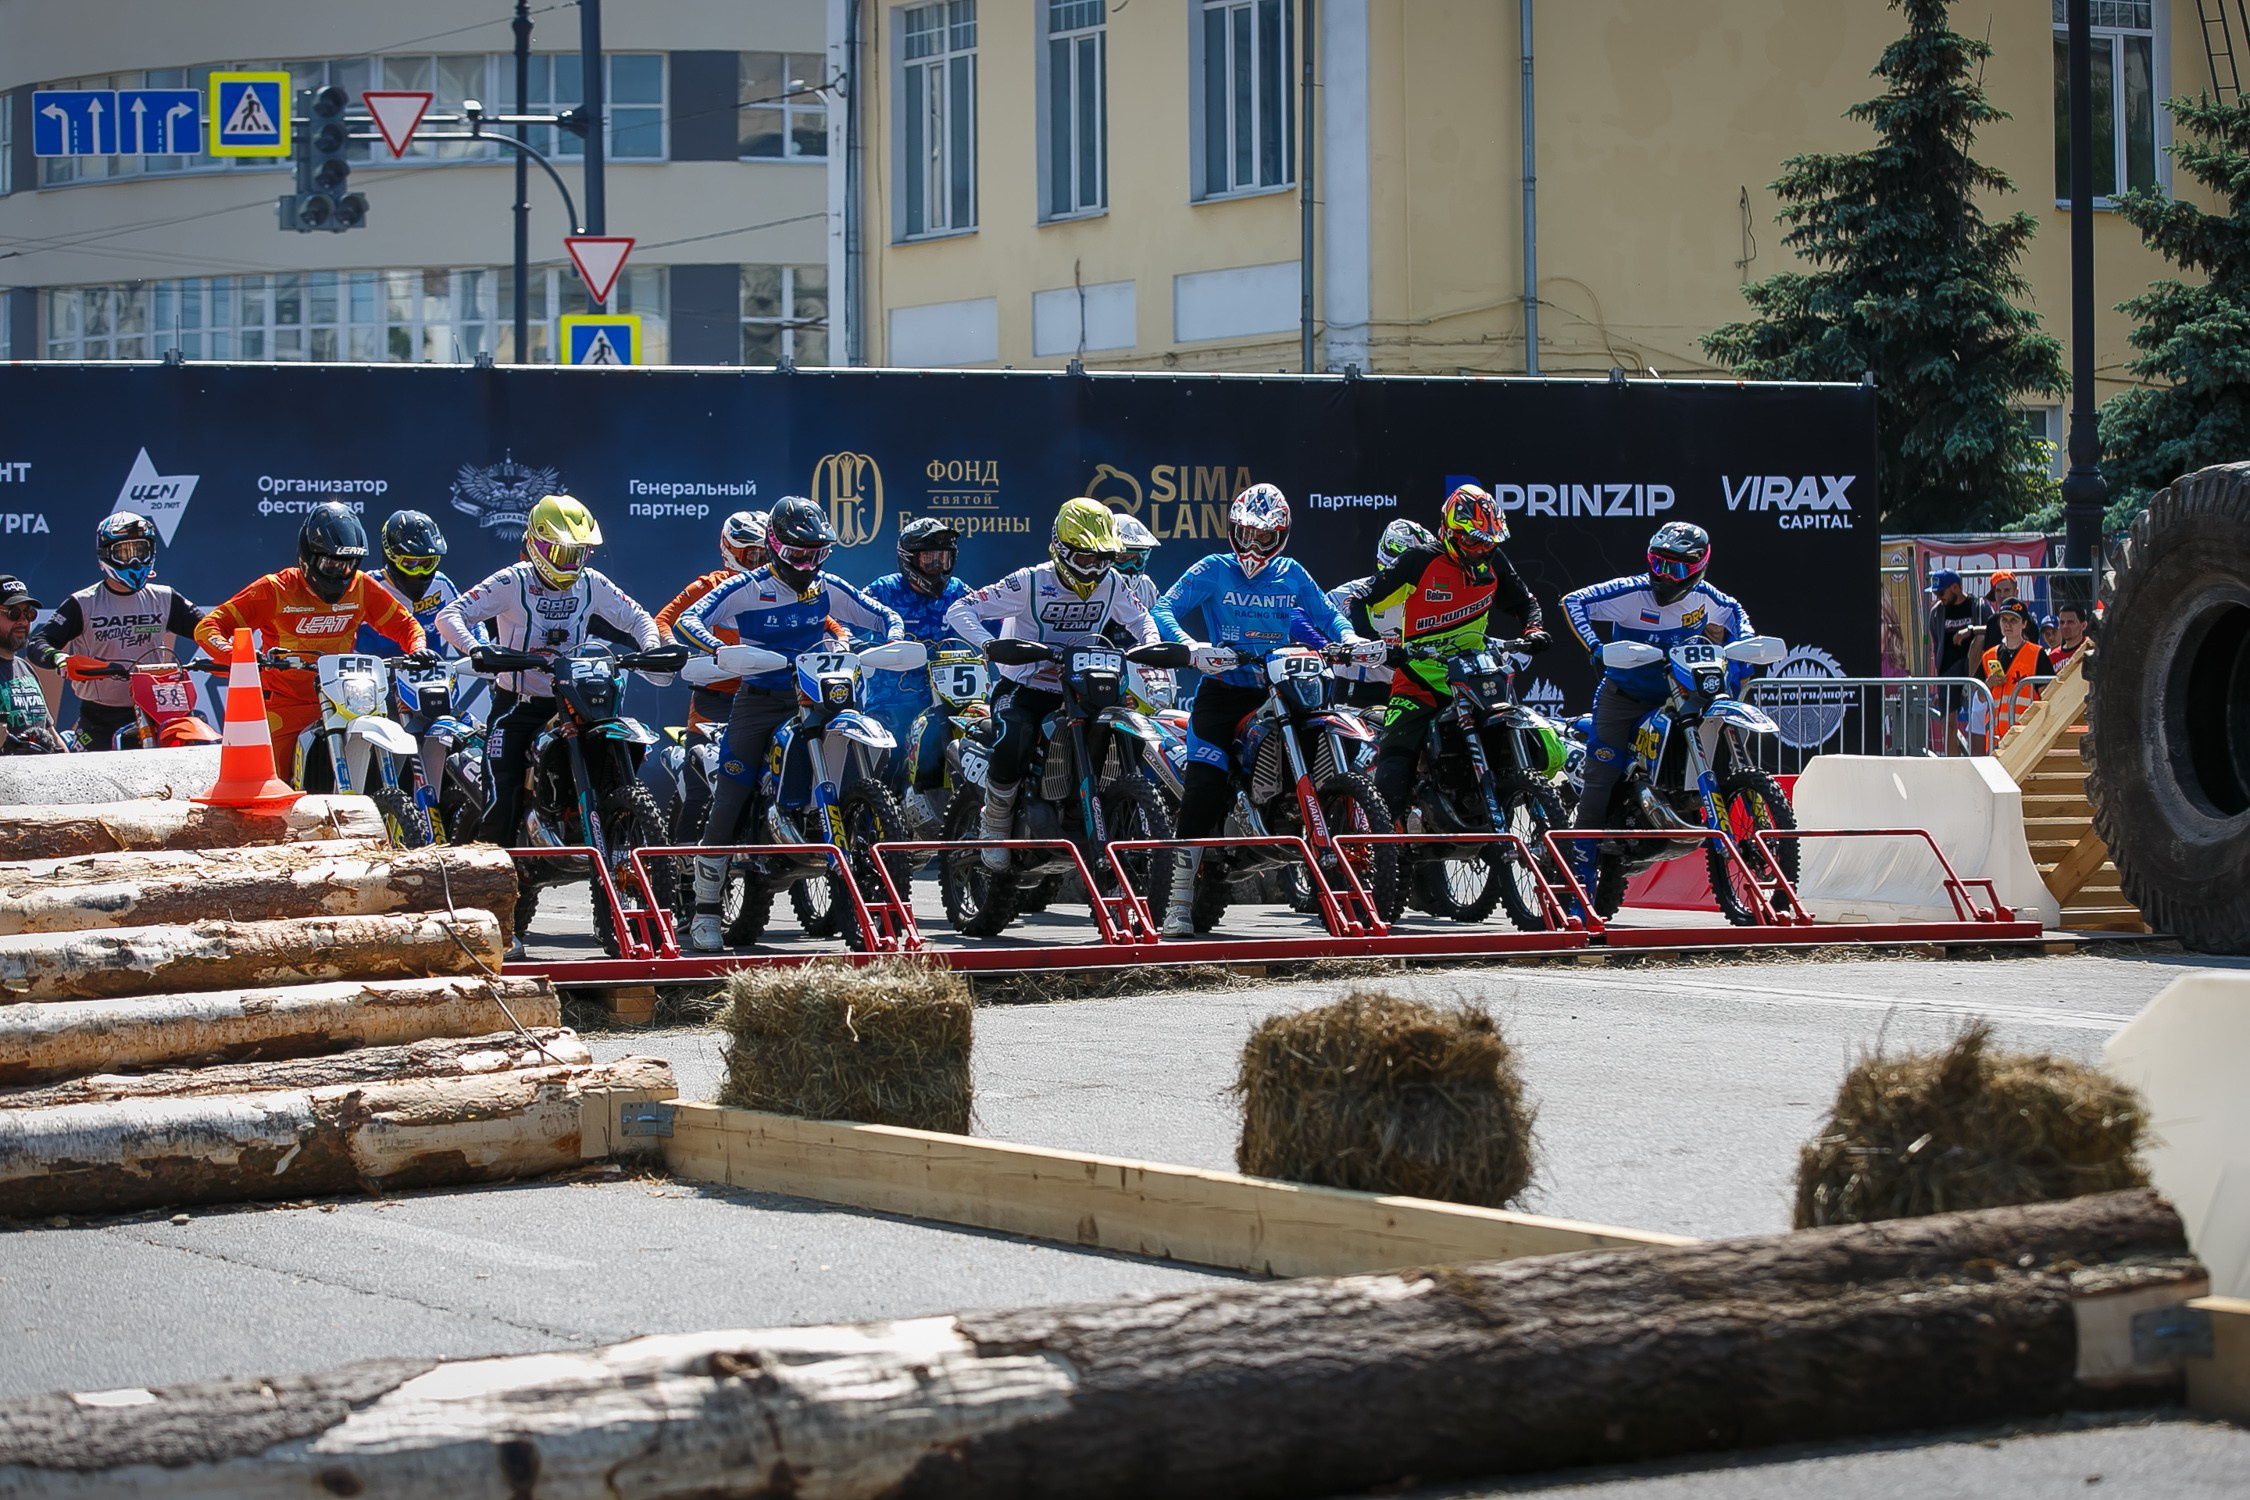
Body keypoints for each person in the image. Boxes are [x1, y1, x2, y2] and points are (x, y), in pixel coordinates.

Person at [673, 495, 904, 953]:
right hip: (762, 698)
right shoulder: (749, 586)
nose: (807, 563)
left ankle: (878, 901)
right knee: (731, 793)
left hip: (822, 694)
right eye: (799, 553)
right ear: (775, 544)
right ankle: (704, 909)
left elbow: (884, 615)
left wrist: (892, 639)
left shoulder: (827, 586)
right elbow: (687, 619)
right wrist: (718, 651)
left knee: (861, 773)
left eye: (817, 553)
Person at [1152, 483, 1382, 936]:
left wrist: (1350, 640)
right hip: (1223, 691)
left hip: (1280, 687)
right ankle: (1176, 904)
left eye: (1265, 538)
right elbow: (1164, 608)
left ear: (1282, 537)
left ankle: (1343, 887)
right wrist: (1192, 647)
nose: (1254, 546)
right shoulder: (1214, 569)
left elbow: (1328, 614)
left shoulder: (1292, 573)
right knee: (1204, 786)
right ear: (1233, 530)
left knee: (1331, 751)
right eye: (1245, 534)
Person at [945, 498, 1159, 875]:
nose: (1095, 570)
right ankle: (994, 824)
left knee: (1131, 731)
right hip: (1026, 686)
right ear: (1060, 550)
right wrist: (988, 645)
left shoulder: (1112, 583)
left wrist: (1148, 648)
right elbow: (960, 609)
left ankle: (1106, 806)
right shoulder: (1029, 582)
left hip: (1084, 685)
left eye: (1103, 559)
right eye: (1086, 559)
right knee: (1015, 735)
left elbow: (1143, 620)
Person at [435, 494, 661, 847]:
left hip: (576, 702)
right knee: (502, 791)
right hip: (519, 705)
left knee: (613, 765)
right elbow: (448, 615)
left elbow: (637, 617)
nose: (571, 564)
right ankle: (493, 866)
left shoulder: (592, 583)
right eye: (562, 553)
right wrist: (477, 649)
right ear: (537, 545)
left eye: (579, 553)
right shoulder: (513, 581)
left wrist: (650, 647)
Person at [1560, 521, 1750, 896]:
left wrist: (1743, 648)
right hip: (1624, 696)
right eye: (1657, 563)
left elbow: (1736, 615)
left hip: (1682, 697)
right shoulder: (1630, 592)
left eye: (1676, 568)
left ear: (1698, 567)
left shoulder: (1707, 598)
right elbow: (1572, 601)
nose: (1663, 576)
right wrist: (1596, 649)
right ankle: (1578, 871)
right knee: (1600, 776)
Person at [196, 502, 427, 785]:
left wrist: (418, 649)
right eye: (332, 563)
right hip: (285, 705)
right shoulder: (275, 589)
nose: (342, 573)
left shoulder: (362, 586)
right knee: (269, 788)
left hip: (345, 701)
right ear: (308, 556)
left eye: (349, 564)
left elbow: (406, 625)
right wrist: (238, 656)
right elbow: (208, 627)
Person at [1358, 485, 1549, 826]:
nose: (1481, 551)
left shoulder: (1493, 563)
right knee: (1394, 765)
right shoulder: (1419, 561)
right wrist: (1377, 645)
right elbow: (1360, 600)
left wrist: (1533, 629)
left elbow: (1524, 601)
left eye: (1489, 542)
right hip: (1419, 679)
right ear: (1449, 532)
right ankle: (1388, 848)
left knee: (1530, 744)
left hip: (1474, 676)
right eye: (1473, 542)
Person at [27, 513, 204, 750]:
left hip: (157, 708)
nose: (134, 561)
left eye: (140, 551)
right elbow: (38, 643)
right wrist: (61, 659)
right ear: (105, 555)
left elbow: (207, 629)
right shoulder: (83, 603)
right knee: (95, 780)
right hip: (101, 717)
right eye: (123, 553)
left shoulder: (164, 597)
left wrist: (231, 649)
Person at [863, 517, 970, 833]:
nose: (937, 566)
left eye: (943, 558)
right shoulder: (883, 591)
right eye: (929, 558)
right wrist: (861, 643)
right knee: (885, 772)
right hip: (891, 703)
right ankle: (871, 836)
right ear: (909, 559)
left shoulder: (959, 592)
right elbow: (847, 624)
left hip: (950, 703)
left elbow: (994, 627)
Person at [655, 510, 770, 733]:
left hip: (768, 696)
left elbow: (825, 622)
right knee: (702, 761)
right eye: (755, 557)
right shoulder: (708, 586)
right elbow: (662, 621)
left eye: (769, 557)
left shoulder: (783, 589)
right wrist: (676, 648)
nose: (762, 565)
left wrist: (841, 640)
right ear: (731, 552)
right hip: (716, 697)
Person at [1329, 518, 1437, 710]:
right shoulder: (1352, 592)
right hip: (1356, 690)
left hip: (1406, 690)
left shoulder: (1429, 599)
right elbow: (1304, 616)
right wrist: (1331, 645)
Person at [0, 575, 66, 755]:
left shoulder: (25, 669)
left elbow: (51, 734)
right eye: (13, 613)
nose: (22, 621)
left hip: (38, 778)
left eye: (28, 613)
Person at [1981, 598, 2054, 743]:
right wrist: (1988, 684)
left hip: (2025, 735)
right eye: (2004, 619)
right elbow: (1980, 697)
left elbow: (2048, 695)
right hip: (1995, 738)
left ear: (2024, 624)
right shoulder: (1989, 655)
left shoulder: (2037, 654)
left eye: (2013, 620)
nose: (2008, 624)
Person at [1925, 568, 1988, 679]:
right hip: (1948, 675)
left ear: (1955, 587)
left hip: (1975, 674)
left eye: (1941, 592)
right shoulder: (1936, 612)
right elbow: (1936, 645)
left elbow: (1994, 629)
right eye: (1935, 593)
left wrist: (1971, 630)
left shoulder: (1979, 606)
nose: (1938, 597)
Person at [1979, 569, 2024, 656]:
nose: (2002, 595)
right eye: (1998, 591)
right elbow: (1988, 655)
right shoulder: (1992, 621)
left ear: (2016, 592)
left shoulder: (2027, 619)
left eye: (2006, 590)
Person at [2052, 601, 2093, 667]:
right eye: (2062, 622)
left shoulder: (2092, 650)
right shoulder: (2053, 657)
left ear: (2083, 625)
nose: (2065, 626)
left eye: (2070, 622)